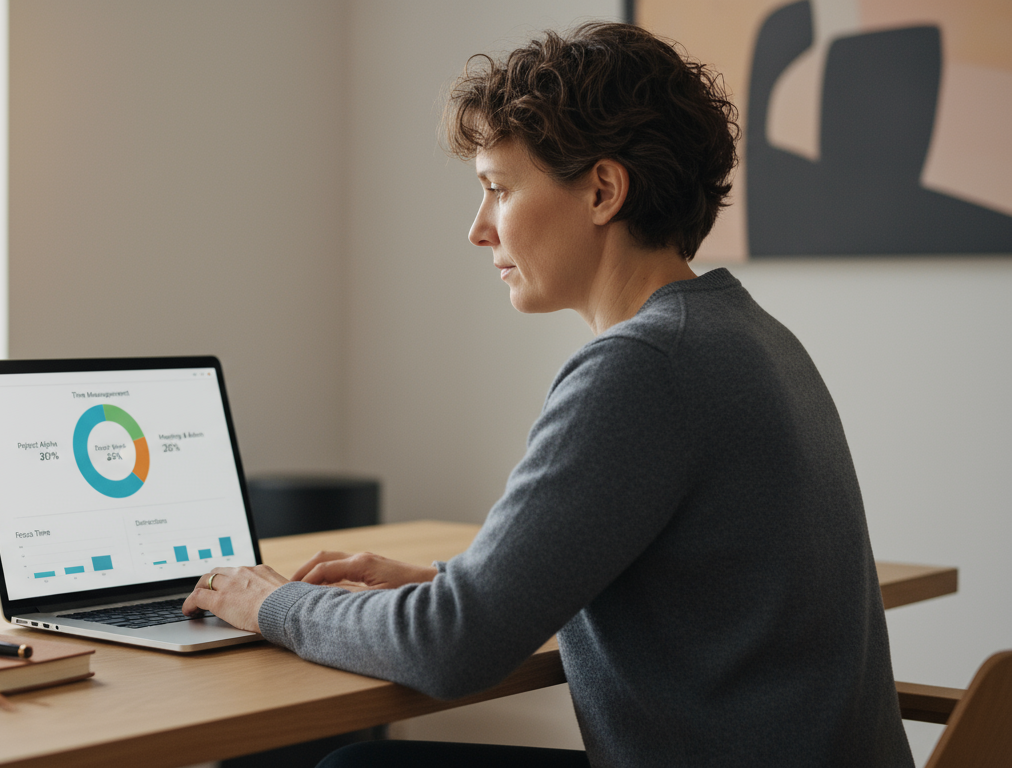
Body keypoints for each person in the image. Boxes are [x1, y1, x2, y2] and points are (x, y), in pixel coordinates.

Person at [182, 22, 914, 768]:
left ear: (602, 191)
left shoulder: (644, 367)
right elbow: (640, 569)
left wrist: (270, 603)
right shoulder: (745, 334)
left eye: (499, 189)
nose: (478, 230)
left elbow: (451, 648)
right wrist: (446, 583)